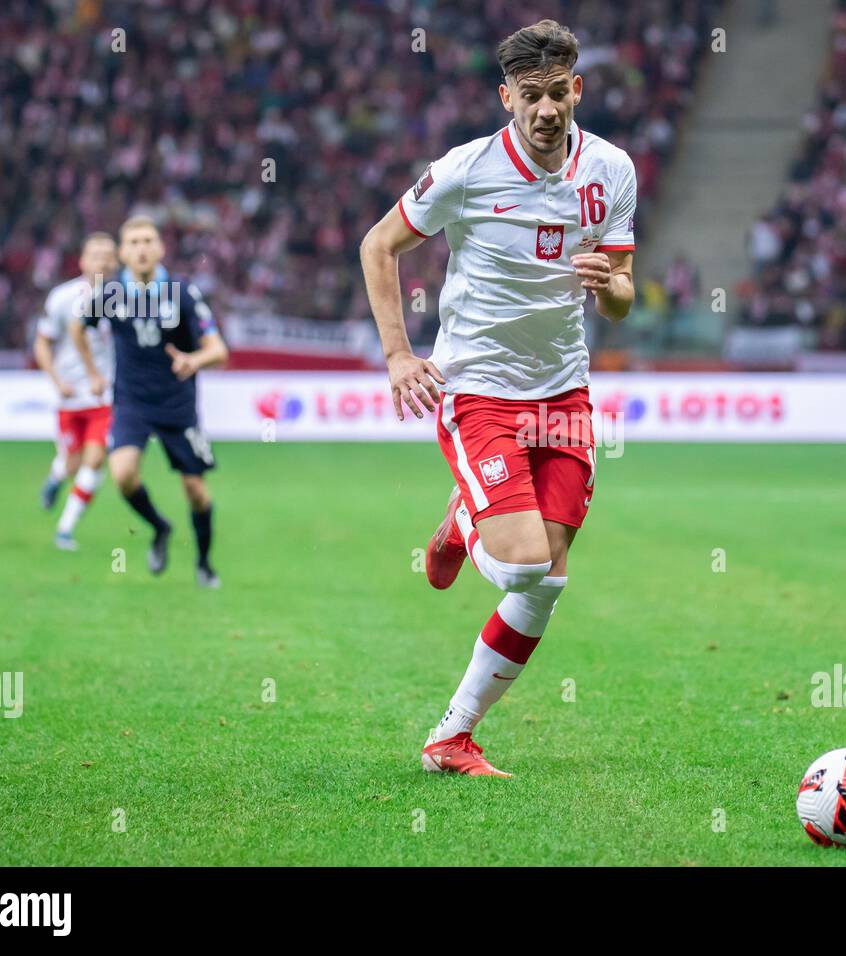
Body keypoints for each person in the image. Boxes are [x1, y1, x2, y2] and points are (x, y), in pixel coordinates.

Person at [360, 19, 636, 776]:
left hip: (565, 393)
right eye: (530, 96)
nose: (546, 110)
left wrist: (612, 286)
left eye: (558, 94)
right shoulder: (467, 170)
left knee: (548, 582)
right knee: (520, 567)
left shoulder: (611, 171)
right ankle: (461, 522)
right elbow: (377, 244)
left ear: (576, 89)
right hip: (479, 387)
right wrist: (396, 354)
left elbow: (620, 300)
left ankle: (452, 737)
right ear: (506, 95)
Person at [72, 216, 229, 586]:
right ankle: (160, 528)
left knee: (196, 491)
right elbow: (79, 328)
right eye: (134, 242)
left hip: (177, 404)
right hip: (132, 402)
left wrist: (195, 360)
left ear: (160, 248)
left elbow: (218, 350)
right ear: (122, 253)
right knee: (123, 475)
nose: (142, 248)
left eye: (148, 241)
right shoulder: (109, 293)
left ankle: (204, 564)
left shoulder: (183, 293)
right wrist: (93, 374)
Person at [35, 233, 117, 550]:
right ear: (82, 261)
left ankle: (65, 529)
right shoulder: (62, 298)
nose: (103, 260)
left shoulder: (126, 299)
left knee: (95, 460)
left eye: (109, 255)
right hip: (70, 396)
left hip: (105, 397)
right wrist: (56, 380)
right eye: (96, 254)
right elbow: (42, 342)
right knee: (72, 462)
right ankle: (56, 477)